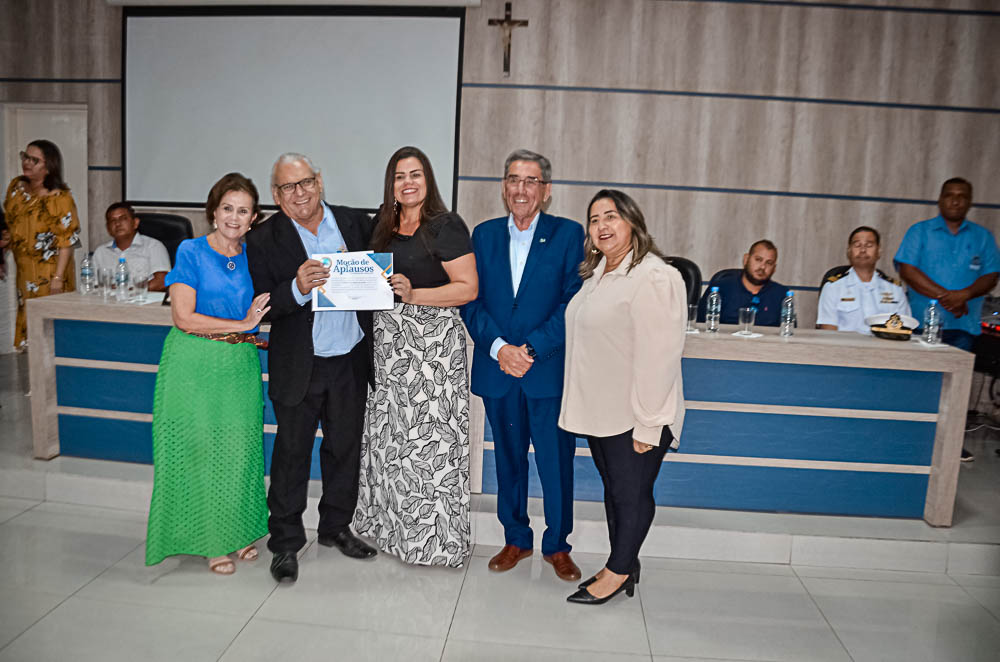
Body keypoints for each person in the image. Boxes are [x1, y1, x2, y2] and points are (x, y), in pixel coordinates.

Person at [246, 153, 377, 583]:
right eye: (287, 188)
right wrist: (296, 288)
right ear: (276, 197)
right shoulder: (264, 239)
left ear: (319, 182)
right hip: (299, 363)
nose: (298, 193)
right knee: (291, 455)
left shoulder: (357, 222)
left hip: (349, 359)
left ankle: (335, 527)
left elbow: (376, 279)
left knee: (343, 449)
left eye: (304, 183)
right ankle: (284, 543)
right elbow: (265, 305)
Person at [461, 149, 584, 581]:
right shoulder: (484, 235)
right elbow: (470, 301)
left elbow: (573, 302)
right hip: (499, 371)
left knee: (555, 461)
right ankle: (516, 539)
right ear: (503, 187)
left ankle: (558, 545)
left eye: (531, 181)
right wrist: (499, 349)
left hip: (544, 371)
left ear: (546, 191)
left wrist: (528, 350)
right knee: (509, 460)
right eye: (513, 179)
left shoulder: (569, 235)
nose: (521, 189)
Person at [352, 146, 477, 567]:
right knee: (393, 445)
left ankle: (435, 542)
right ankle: (393, 533)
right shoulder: (380, 229)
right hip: (388, 349)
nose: (408, 182)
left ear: (429, 180)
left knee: (431, 446)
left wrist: (415, 294)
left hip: (432, 352)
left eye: (416, 174)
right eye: (400, 176)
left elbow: (468, 287)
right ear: (390, 184)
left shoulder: (446, 225)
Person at [560, 189, 686, 605]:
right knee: (616, 490)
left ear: (633, 222)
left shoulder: (653, 276)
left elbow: (660, 356)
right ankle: (623, 562)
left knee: (631, 493)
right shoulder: (598, 274)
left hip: (636, 414)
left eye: (611, 216)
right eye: (595, 219)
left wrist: (649, 423)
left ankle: (618, 573)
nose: (602, 226)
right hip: (603, 412)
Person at [145, 172, 271, 574]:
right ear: (213, 212)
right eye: (228, 208)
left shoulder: (258, 255)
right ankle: (212, 540)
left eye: (244, 210)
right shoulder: (191, 251)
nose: (235, 217)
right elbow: (183, 317)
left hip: (238, 365)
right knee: (201, 452)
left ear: (253, 218)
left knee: (240, 452)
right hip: (193, 365)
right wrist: (244, 324)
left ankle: (241, 531)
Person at [894, 177, 1000, 462]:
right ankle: (912, 442)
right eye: (950, 195)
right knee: (917, 385)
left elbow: (991, 276)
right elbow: (907, 269)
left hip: (962, 328)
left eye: (962, 196)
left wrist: (964, 294)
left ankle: (951, 444)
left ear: (969, 201)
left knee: (954, 391)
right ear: (940, 199)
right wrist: (948, 298)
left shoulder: (982, 237)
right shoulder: (921, 232)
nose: (955, 200)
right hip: (920, 325)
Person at [3, 139, 81, 351]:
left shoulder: (60, 198)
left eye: (34, 160)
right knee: (31, 329)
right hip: (26, 273)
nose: (27, 163)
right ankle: (35, 380)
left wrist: (57, 278)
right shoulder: (16, 190)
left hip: (50, 274)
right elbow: (11, 227)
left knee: (51, 331)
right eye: (25, 157)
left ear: (48, 167)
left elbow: (67, 241)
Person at [817, 226, 911, 334]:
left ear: (879, 251)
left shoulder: (895, 290)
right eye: (857, 245)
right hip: (845, 349)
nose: (862, 250)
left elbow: (904, 329)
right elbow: (828, 333)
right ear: (849, 251)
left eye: (869, 245)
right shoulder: (833, 287)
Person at [697, 239, 786, 326]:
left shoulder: (782, 295)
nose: (762, 267)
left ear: (774, 268)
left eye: (769, 263)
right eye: (758, 259)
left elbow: (789, 332)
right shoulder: (720, 289)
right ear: (746, 259)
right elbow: (700, 326)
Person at [92, 203, 171, 291]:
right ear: (108, 228)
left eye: (123, 218)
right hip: (109, 303)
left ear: (135, 223)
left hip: (143, 301)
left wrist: (129, 290)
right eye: (112, 221)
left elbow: (161, 282)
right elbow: (93, 285)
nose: (117, 224)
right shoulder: (101, 252)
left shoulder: (153, 246)